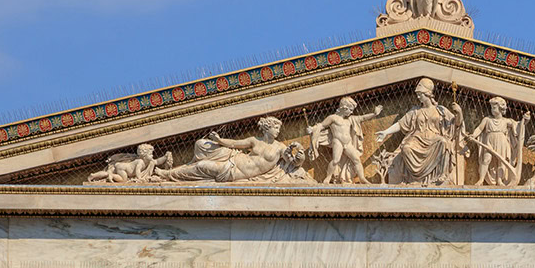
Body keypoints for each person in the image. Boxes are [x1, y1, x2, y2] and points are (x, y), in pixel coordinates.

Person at [153, 116, 308, 184]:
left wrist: (300, 158)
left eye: (279, 128)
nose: (278, 131)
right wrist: (219, 140)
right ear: (267, 128)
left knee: (202, 166)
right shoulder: (255, 140)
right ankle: (186, 164)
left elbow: (292, 161)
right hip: (234, 157)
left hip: (235, 172)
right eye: (275, 128)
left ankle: (168, 174)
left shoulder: (280, 148)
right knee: (200, 144)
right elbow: (234, 143)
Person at [371, 78, 459, 185]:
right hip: (416, 138)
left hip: (434, 139)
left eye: (420, 94)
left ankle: (442, 175)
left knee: (444, 142)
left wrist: (459, 112)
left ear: (427, 93)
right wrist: (385, 132)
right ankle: (415, 178)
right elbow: (401, 123)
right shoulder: (415, 111)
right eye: (417, 94)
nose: (418, 97)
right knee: (406, 148)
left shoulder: (440, 110)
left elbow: (456, 124)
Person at [307, 97, 383, 184]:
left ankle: (362, 178)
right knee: (335, 160)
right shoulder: (333, 118)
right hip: (338, 142)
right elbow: (321, 125)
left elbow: (362, 118)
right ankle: (327, 178)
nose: (351, 112)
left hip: (348, 143)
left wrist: (374, 114)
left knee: (357, 160)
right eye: (350, 110)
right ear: (344, 108)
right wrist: (312, 129)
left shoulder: (350, 119)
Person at [466, 96, 528, 186]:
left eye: (494, 107)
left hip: (502, 142)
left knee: (501, 161)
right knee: (486, 159)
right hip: (489, 141)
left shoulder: (506, 121)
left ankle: (499, 180)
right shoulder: (487, 120)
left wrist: (525, 120)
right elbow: (479, 128)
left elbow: (518, 127)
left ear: (500, 108)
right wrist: (473, 135)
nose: (492, 109)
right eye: (491, 107)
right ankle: (481, 179)